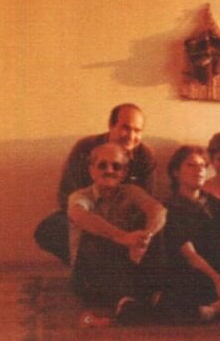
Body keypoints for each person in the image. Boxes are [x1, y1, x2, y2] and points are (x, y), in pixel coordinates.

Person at [35, 103, 157, 264]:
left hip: (124, 220)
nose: (131, 136)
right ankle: (92, 267)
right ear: (111, 126)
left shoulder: (145, 156)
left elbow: (146, 200)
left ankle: (106, 267)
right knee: (48, 229)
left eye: (137, 130)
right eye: (125, 128)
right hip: (86, 214)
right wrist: (93, 220)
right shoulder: (84, 148)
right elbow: (66, 193)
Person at [66, 142, 167, 324]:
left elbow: (158, 210)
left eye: (116, 166)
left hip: (127, 267)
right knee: (93, 233)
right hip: (90, 277)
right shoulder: (80, 196)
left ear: (124, 172)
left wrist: (146, 237)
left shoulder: (131, 191)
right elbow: (79, 215)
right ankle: (126, 302)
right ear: (91, 170)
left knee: (157, 227)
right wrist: (123, 238)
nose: (109, 170)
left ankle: (152, 297)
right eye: (102, 165)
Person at [161, 145, 220, 322]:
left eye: (203, 166)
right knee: (179, 283)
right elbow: (189, 254)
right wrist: (218, 281)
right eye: (191, 165)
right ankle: (219, 306)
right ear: (176, 172)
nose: (199, 170)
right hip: (196, 267)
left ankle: (218, 306)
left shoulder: (214, 203)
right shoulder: (169, 207)